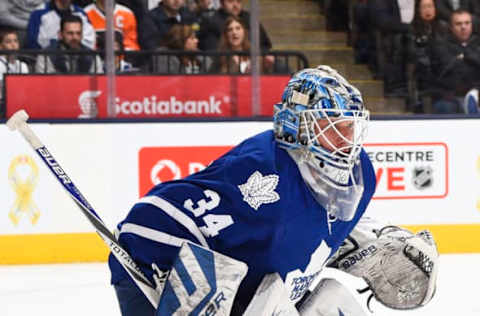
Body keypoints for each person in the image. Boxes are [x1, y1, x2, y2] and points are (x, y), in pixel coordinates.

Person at [108, 65, 439, 315]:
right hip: (176, 294)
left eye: (349, 126)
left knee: (334, 304)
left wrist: (373, 240)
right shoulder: (263, 174)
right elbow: (149, 219)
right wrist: (165, 270)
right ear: (297, 127)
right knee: (273, 297)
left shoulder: (360, 173)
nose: (346, 141)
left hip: (259, 297)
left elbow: (316, 224)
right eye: (331, 128)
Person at [428, 9, 480, 113]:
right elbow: (447, 70)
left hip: (476, 94)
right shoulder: (441, 46)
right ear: (451, 27)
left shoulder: (477, 43)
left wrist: (464, 56)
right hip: (450, 96)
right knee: (447, 107)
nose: (463, 27)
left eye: (467, 23)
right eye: (458, 24)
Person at [35, 14, 103, 74]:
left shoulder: (93, 56)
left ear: (82, 35)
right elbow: (44, 84)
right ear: (60, 35)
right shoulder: (46, 56)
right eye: (70, 33)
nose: (75, 37)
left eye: (78, 33)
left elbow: (98, 84)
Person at [197, 0, 272, 52]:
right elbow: (211, 51)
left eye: (238, 1)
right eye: (230, 1)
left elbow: (265, 44)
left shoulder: (249, 18)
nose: (235, 5)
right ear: (222, 4)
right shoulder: (212, 22)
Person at [26, 0, 95, 50]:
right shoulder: (39, 13)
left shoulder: (81, 13)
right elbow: (33, 44)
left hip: (80, 61)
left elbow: (90, 42)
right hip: (48, 62)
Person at [0, 28, 29, 114]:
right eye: (8, 42)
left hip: (20, 104)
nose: (13, 45)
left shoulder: (23, 65)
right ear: (1, 46)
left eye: (16, 41)